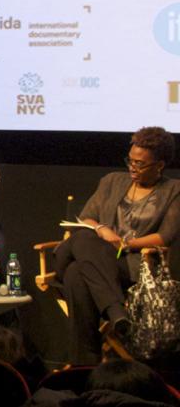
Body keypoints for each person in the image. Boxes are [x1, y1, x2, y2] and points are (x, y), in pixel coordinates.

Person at [53, 126, 179, 365]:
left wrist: (125, 243)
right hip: (91, 253)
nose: (132, 167)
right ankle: (115, 309)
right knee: (83, 236)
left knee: (76, 276)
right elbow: (87, 218)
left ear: (159, 165)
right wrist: (103, 230)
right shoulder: (111, 181)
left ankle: (84, 365)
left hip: (128, 264)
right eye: (130, 161)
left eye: (140, 164)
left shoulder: (173, 190)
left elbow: (164, 237)